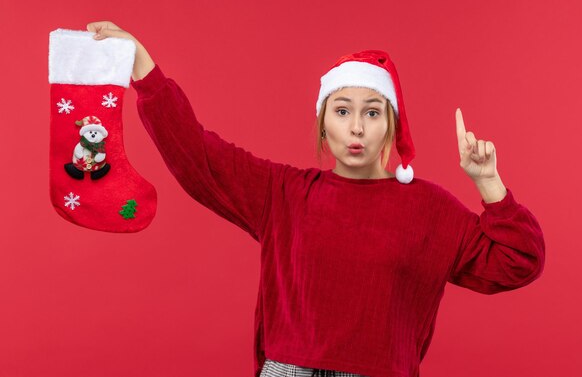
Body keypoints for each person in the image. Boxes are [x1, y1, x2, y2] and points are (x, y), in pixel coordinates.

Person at [86, 21, 546, 377]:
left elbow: (518, 261)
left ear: (392, 124)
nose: (357, 128)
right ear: (324, 120)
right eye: (343, 111)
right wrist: (145, 71)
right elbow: (195, 155)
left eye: (372, 112)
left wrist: (489, 183)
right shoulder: (284, 193)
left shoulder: (429, 209)